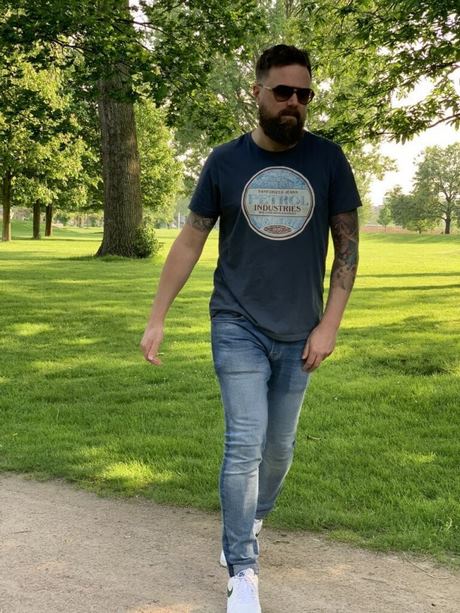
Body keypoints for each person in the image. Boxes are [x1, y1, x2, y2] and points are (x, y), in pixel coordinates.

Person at [141, 44, 360, 613]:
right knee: (244, 441)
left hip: (301, 331)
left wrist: (329, 325)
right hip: (236, 322)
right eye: (283, 91)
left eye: (304, 94)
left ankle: (253, 517)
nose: (294, 102)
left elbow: (347, 249)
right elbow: (190, 240)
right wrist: (158, 316)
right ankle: (242, 568)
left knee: (279, 448)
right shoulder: (225, 162)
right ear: (257, 92)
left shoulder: (328, 160)